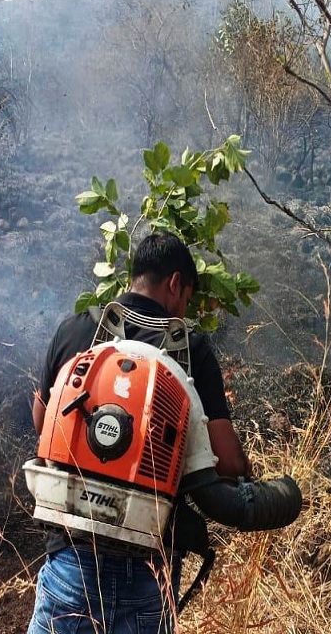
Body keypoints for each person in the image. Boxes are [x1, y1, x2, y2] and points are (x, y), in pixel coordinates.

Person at [27, 231, 250, 634]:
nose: (183, 311)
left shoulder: (74, 332)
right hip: (150, 573)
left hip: (70, 561)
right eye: (185, 301)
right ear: (175, 284)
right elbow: (229, 464)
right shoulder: (192, 353)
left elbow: (44, 425)